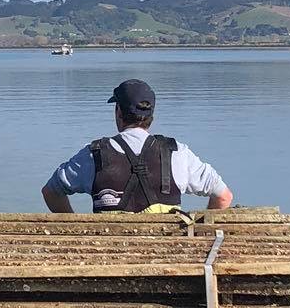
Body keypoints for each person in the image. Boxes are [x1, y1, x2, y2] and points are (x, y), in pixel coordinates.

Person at [42, 79, 234, 215]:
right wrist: (201, 231)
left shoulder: (93, 154)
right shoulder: (177, 153)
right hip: (167, 255)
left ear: (118, 112)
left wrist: (75, 224)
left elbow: (50, 192)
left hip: (109, 257)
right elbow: (224, 196)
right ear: (151, 116)